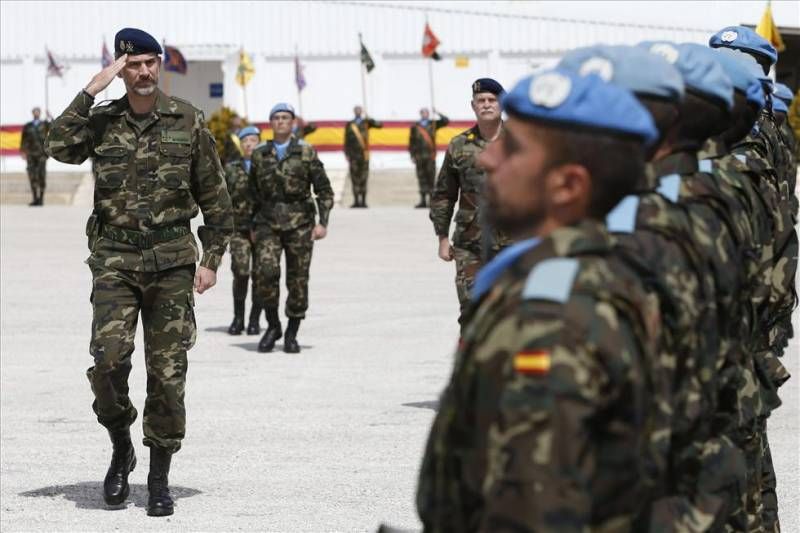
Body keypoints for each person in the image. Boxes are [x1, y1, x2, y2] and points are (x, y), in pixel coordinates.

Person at [417, 67, 663, 531]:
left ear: (568, 184)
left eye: (514, 153)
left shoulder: (561, 312)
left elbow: (530, 493)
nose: (490, 163)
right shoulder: (535, 284)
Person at [45, 27, 233, 517]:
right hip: (115, 263)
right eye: (133, 65)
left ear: (160, 64)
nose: (143, 72)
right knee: (108, 363)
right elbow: (58, 147)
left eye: (150, 62)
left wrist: (211, 260)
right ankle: (120, 444)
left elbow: (216, 198)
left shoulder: (187, 120)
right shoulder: (103, 120)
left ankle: (158, 477)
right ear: (119, 70)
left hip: (172, 264)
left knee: (168, 377)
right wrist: (90, 91)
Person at [250, 103, 334, 353]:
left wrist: (323, 222)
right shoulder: (259, 154)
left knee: (298, 279)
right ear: (270, 123)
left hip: (300, 224)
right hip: (267, 223)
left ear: (293, 122)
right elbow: (252, 193)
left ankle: (292, 332)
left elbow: (324, 190)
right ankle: (273, 325)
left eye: (285, 117)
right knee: (265, 274)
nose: (281, 122)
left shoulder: (306, 153)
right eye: (276, 118)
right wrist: (251, 224)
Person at [429, 78, 511, 327]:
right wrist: (442, 237)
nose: (486, 105)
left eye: (492, 100)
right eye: (481, 101)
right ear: (473, 106)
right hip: (470, 245)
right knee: (471, 312)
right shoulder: (458, 145)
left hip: (513, 244)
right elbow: (444, 194)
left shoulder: (522, 143)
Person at [223, 125, 262, 336]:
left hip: (263, 230)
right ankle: (238, 317)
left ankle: (254, 319)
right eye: (246, 141)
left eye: (253, 141)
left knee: (260, 275)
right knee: (241, 271)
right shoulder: (231, 168)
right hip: (238, 229)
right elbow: (223, 200)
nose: (249, 145)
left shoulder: (267, 166)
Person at [408, 107, 449, 208]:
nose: (424, 114)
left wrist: (437, 112)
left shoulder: (433, 124)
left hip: (430, 156)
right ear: (420, 114)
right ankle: (422, 201)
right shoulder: (415, 127)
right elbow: (411, 142)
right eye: (423, 113)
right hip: (419, 157)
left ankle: (432, 201)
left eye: (426, 113)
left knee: (431, 178)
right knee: (421, 178)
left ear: (428, 114)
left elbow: (446, 121)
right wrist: (412, 155)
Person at [343, 105, 382, 207]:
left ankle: (363, 201)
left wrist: (369, 117)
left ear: (362, 111)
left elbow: (380, 125)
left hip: (364, 155)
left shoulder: (366, 122)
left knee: (364, 177)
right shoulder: (350, 124)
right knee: (354, 177)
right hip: (353, 155)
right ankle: (356, 201)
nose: (358, 111)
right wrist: (346, 153)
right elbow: (346, 140)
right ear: (354, 111)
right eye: (356, 110)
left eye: (359, 110)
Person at [20, 106, 50, 206]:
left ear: (40, 113)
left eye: (38, 112)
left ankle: (41, 199)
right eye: (34, 112)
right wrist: (23, 152)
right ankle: (35, 199)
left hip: (42, 154)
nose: (36, 113)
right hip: (31, 155)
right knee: (32, 176)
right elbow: (23, 140)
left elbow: (55, 126)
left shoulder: (45, 124)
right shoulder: (28, 126)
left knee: (42, 176)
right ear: (32, 113)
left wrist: (50, 117)